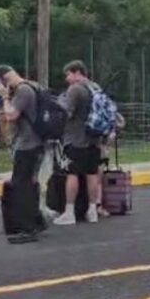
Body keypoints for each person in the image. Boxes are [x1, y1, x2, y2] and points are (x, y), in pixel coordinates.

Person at [0, 65, 45, 244]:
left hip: (27, 144)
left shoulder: (23, 91)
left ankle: (27, 227)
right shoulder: (35, 86)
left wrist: (5, 97)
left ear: (3, 80)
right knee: (30, 182)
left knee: (21, 185)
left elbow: (11, 115)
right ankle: (37, 220)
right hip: (37, 142)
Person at [55, 60, 105, 225]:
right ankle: (92, 210)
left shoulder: (75, 89)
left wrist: (59, 103)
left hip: (76, 139)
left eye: (68, 74)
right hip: (94, 140)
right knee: (92, 174)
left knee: (72, 174)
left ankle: (69, 212)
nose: (67, 79)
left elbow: (66, 113)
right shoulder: (95, 87)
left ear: (77, 73)